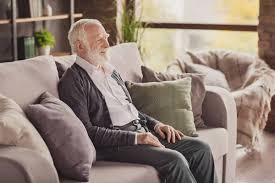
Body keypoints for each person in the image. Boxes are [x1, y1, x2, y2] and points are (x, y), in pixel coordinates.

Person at [58, 18, 218, 183]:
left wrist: (156, 124)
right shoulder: (73, 81)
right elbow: (87, 131)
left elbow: (130, 109)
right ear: (80, 46)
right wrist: (136, 138)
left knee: (201, 149)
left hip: (141, 131)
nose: (107, 44)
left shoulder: (109, 70)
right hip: (115, 145)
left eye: (106, 37)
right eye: (99, 40)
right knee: (174, 160)